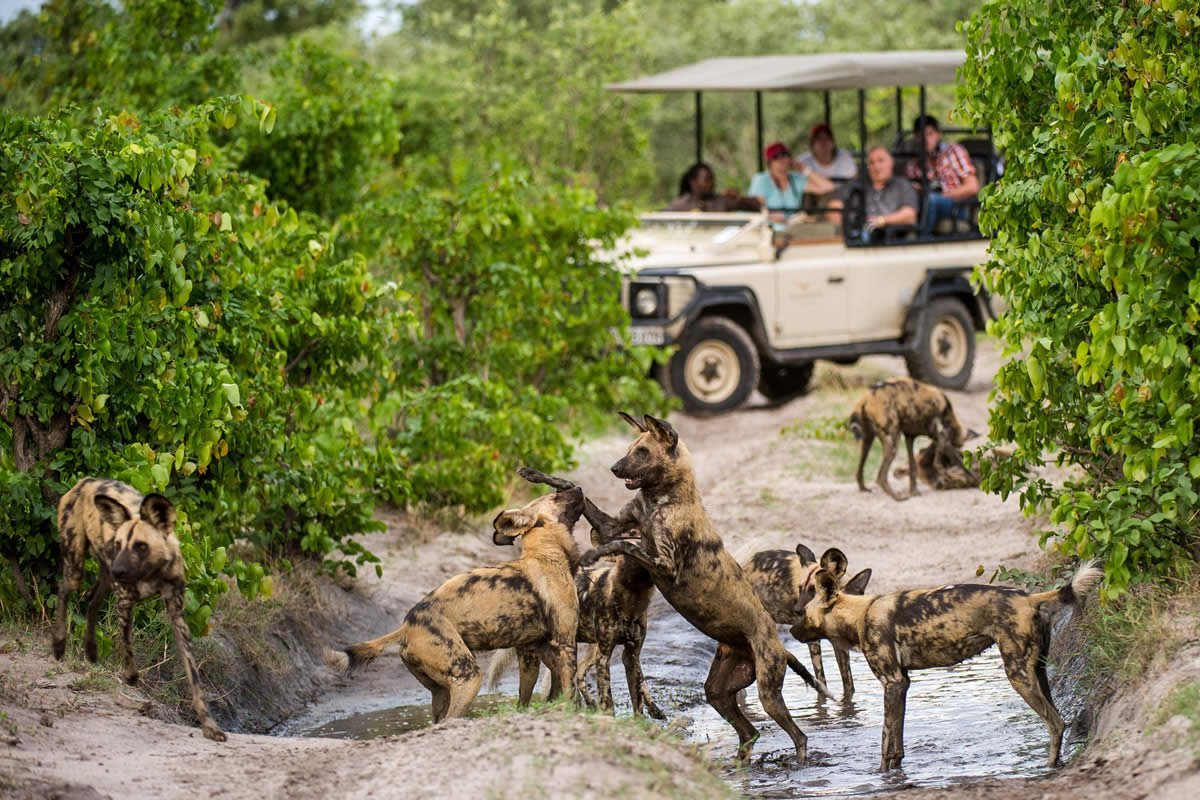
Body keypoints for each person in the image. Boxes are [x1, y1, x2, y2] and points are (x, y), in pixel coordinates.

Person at [905, 114, 979, 237]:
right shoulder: (913, 164)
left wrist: (943, 195)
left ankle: (921, 239)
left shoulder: (953, 152)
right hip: (925, 203)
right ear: (916, 138)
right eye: (921, 135)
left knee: (931, 200)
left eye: (930, 134)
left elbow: (973, 187)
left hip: (956, 205)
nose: (926, 139)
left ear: (938, 134)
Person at [747, 141, 834, 227]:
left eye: (784, 154)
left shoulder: (796, 179)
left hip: (793, 230)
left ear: (790, 158)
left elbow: (829, 187)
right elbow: (756, 208)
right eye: (775, 157)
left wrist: (804, 169)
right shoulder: (761, 180)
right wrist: (774, 217)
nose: (781, 160)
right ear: (770, 162)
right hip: (767, 229)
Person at [858, 146, 919, 241]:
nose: (876, 167)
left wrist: (881, 220)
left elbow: (910, 216)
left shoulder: (903, 185)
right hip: (861, 238)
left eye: (881, 160)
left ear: (891, 162)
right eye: (871, 162)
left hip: (895, 240)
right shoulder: (860, 187)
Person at [667, 162, 762, 212]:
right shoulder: (680, 205)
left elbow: (756, 205)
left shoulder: (720, 201)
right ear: (693, 182)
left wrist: (739, 197)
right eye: (707, 179)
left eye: (712, 179)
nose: (712, 183)